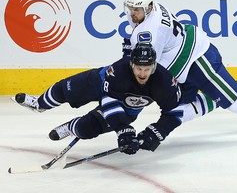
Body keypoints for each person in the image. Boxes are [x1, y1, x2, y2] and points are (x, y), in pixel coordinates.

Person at [122, 0, 237, 123]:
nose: (132, 12)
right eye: (130, 8)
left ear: (149, 7)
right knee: (178, 112)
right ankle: (219, 97)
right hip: (182, 65)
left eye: (136, 9)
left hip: (198, 60)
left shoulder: (150, 32)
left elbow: (149, 68)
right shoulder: (152, 9)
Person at [16, 43, 184, 154]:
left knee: (86, 129)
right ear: (131, 64)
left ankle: (71, 126)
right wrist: (122, 128)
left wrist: (156, 132)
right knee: (64, 90)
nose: (142, 74)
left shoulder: (164, 81)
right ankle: (39, 104)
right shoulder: (119, 71)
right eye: (138, 68)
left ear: (154, 66)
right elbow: (109, 99)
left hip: (127, 107)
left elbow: (175, 112)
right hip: (98, 82)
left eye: (146, 69)